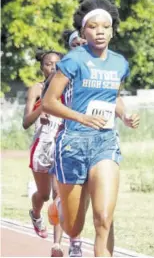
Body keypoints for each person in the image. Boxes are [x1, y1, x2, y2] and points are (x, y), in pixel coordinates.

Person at [42, 0, 140, 256]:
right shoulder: (74, 60)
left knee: (104, 218)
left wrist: (125, 115)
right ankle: (60, 205)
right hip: (73, 142)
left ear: (112, 30)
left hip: (105, 141)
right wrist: (81, 117)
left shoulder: (119, 63)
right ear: (83, 31)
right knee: (74, 227)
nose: (100, 32)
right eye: (93, 27)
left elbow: (114, 97)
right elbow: (48, 102)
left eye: (105, 27)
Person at [45, 29, 88, 257]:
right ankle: (64, 239)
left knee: (89, 200)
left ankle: (76, 240)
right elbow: (47, 99)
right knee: (61, 195)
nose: (81, 44)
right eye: (76, 42)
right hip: (67, 139)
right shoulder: (64, 71)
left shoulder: (99, 68)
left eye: (83, 41)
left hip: (96, 140)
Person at [22, 50, 65, 256]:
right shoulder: (37, 89)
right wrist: (43, 109)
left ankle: (57, 244)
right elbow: (26, 122)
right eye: (48, 64)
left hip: (61, 146)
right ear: (42, 67)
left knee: (60, 195)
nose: (53, 67)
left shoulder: (66, 89)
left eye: (57, 64)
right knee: (44, 194)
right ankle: (36, 213)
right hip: (41, 146)